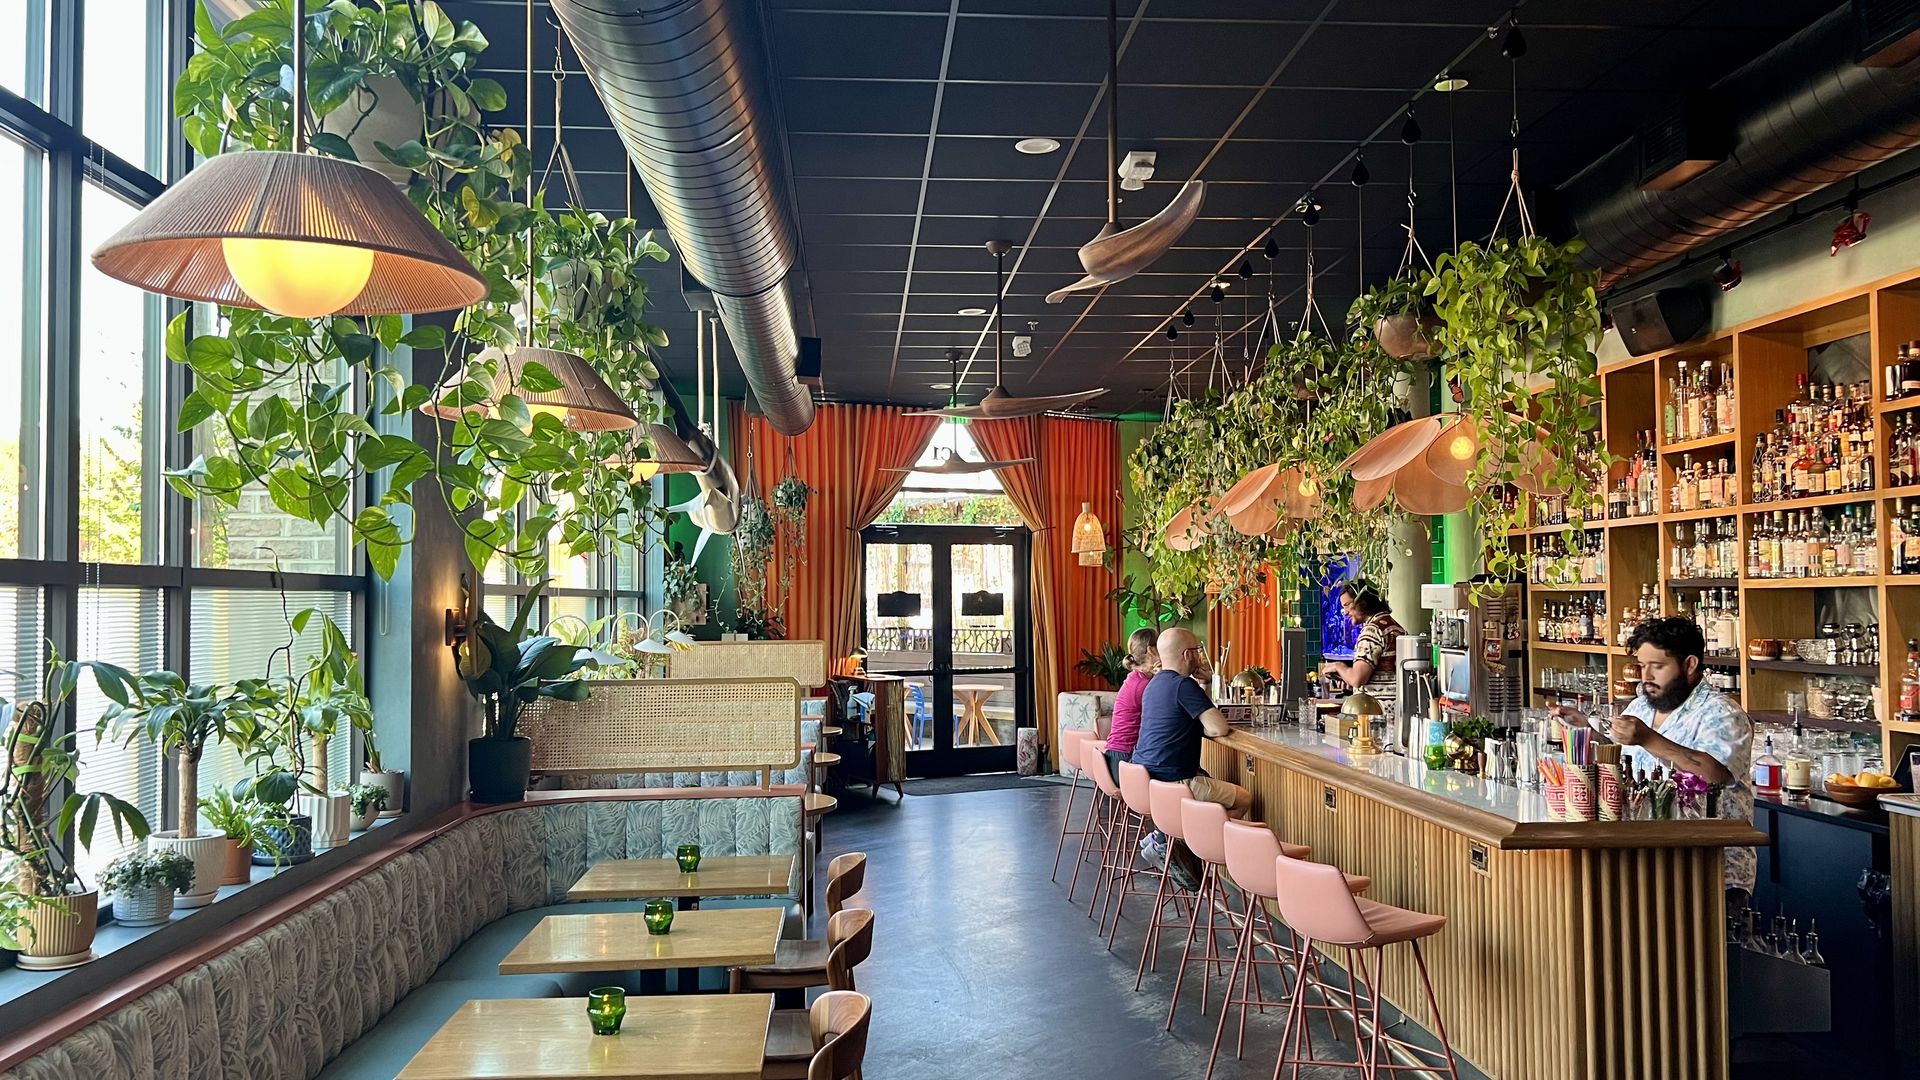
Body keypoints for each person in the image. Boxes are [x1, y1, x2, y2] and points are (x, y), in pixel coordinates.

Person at [1553, 616, 1755, 903]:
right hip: (1646, 863)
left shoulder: (1722, 714)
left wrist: (1648, 738)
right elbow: (1624, 757)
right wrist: (1587, 730)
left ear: (1690, 665)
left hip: (1709, 871)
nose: (1646, 676)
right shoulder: (1641, 707)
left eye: (1657, 666)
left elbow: (1715, 776)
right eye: (1642, 665)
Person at [1132, 627, 1252, 886]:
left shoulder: (1154, 684)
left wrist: (1206, 685)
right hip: (1176, 781)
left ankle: (1170, 842)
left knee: (1207, 791)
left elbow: (1198, 716)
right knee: (1244, 798)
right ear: (1187, 654)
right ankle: (1203, 851)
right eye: (1198, 651)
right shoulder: (1182, 685)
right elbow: (1218, 728)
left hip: (1150, 781)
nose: (1200, 656)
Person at [1320, 580, 1404, 713]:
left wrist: (1338, 666)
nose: (1345, 612)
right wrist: (1348, 680)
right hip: (1398, 711)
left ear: (1362, 601)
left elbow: (1357, 679)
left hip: (1378, 713)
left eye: (1347, 605)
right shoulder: (1394, 626)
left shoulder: (1372, 631)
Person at [1103, 627, 1158, 780]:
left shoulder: (1136, 678)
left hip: (1116, 758)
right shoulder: (1144, 685)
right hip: (1126, 760)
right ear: (1151, 650)